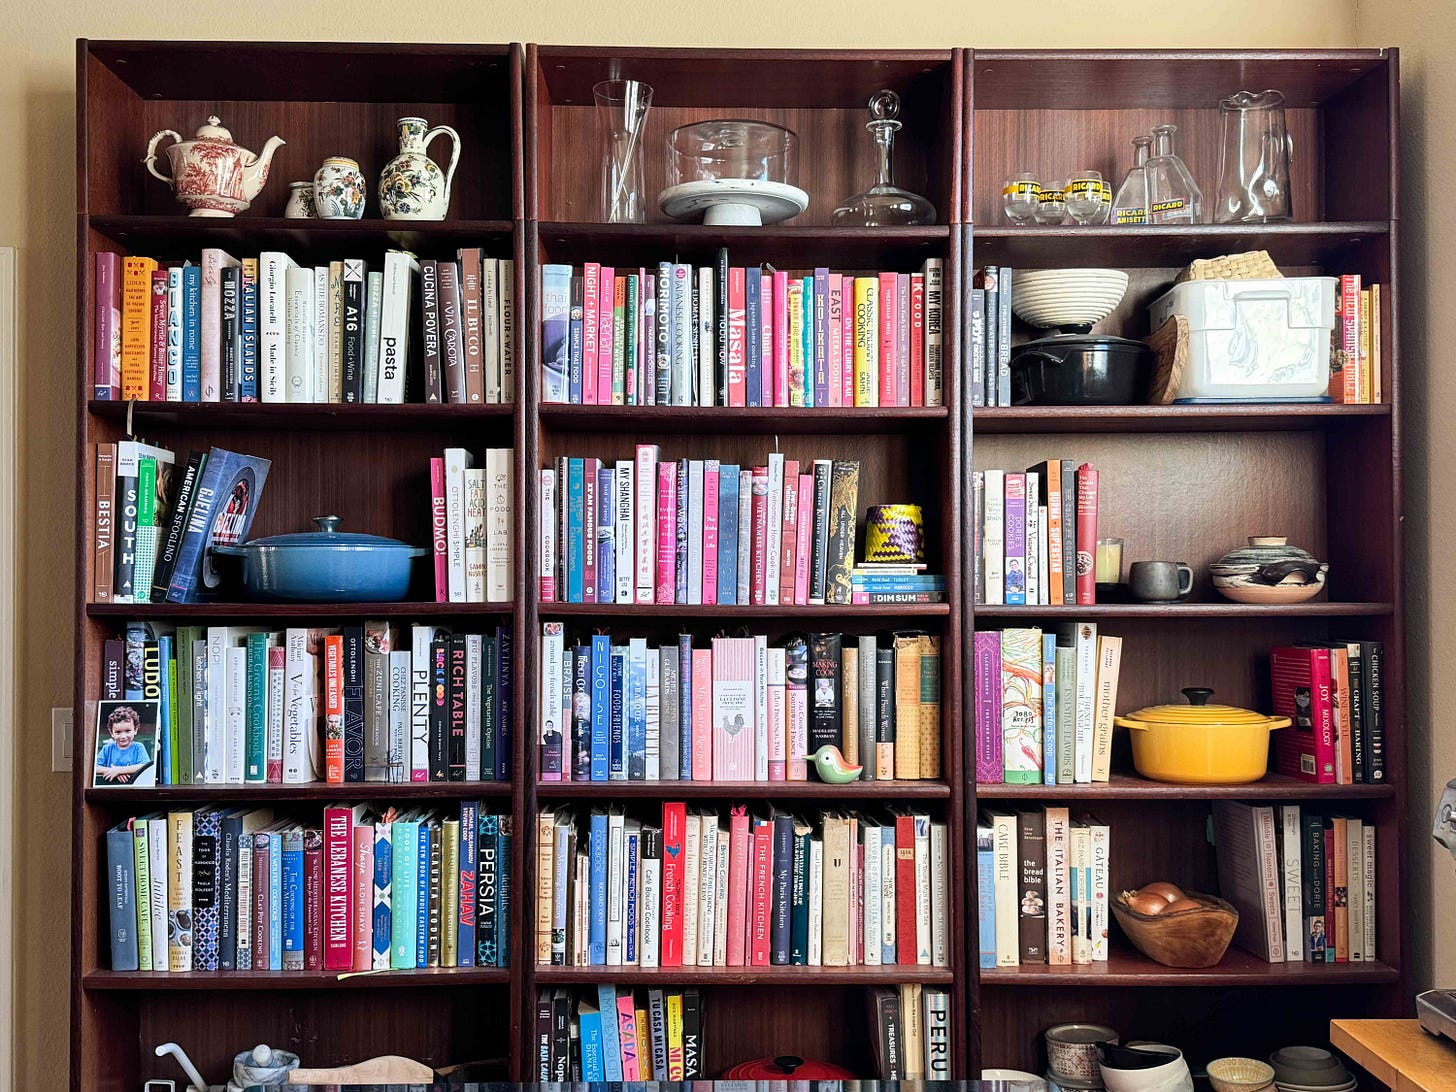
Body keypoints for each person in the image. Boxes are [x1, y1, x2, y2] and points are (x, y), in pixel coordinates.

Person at [96, 705, 151, 781]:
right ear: (111, 733)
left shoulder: (138, 747)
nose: (123, 736)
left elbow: (144, 766)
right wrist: (112, 771)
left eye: (128, 731)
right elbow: (95, 768)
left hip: (133, 787)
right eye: (118, 732)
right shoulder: (107, 748)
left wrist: (119, 770)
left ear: (135, 730)